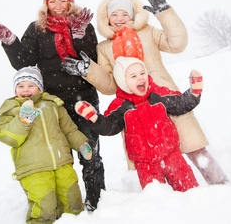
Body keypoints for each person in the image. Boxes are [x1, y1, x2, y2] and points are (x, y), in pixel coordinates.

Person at [61, 0, 228, 185]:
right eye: (114, 14)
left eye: (125, 13)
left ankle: (220, 185)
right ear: (107, 18)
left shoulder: (147, 32)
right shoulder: (104, 48)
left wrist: (164, 13)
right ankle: (171, 203)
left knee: (194, 147)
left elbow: (177, 44)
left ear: (132, 15)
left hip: (167, 98)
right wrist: (88, 70)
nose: (120, 18)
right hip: (136, 108)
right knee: (153, 158)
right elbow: (109, 86)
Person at [0, 0, 105, 211]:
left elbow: (91, 59)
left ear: (71, 1)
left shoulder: (83, 25)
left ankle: (97, 201)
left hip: (83, 99)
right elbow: (23, 61)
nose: (57, 4)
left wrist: (78, 34)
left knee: (90, 151)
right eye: (52, 0)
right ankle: (67, 203)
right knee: (62, 158)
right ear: (46, 2)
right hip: (53, 104)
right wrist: (9, 39)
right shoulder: (37, 29)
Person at [74, 57, 201, 191]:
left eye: (142, 73)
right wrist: (94, 118)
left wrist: (194, 94)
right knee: (157, 196)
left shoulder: (157, 94)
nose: (140, 78)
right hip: (145, 163)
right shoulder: (121, 105)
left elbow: (179, 103)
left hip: (171, 154)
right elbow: (109, 126)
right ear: (123, 82)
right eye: (133, 76)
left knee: (188, 188)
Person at [0, 66, 93, 224]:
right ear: (15, 91)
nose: (25, 90)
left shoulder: (52, 105)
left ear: (40, 89)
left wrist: (81, 144)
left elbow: (68, 129)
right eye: (20, 86)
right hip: (33, 168)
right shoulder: (11, 110)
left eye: (31, 85)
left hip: (61, 162)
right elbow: (8, 137)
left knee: (72, 198)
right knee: (45, 204)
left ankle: (75, 220)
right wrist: (22, 121)